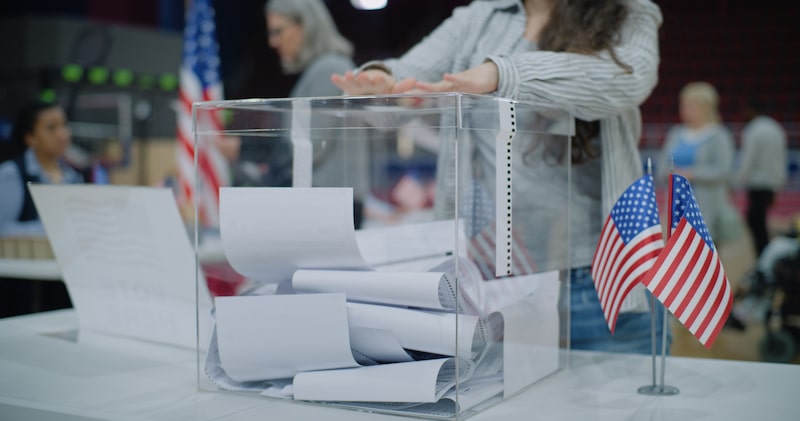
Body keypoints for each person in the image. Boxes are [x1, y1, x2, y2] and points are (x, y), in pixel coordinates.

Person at [332, 0, 667, 354]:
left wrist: (501, 74)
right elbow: (407, 80)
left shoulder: (628, 9)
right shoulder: (479, 17)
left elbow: (631, 78)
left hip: (602, 283)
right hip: (500, 288)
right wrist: (380, 84)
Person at [658, 82, 739, 245]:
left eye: (691, 106)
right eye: (684, 106)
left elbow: (723, 170)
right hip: (678, 207)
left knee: (705, 251)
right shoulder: (676, 134)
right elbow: (662, 166)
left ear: (706, 108)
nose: (686, 110)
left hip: (708, 206)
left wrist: (692, 174)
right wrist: (671, 174)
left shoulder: (718, 135)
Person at [0, 101, 84, 236]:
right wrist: (53, 229)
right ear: (30, 138)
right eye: (51, 128)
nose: (62, 134)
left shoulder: (74, 176)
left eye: (64, 125)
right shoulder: (12, 173)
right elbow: (2, 229)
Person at [735, 96, 788, 258]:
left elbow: (748, 159)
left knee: (756, 221)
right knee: (759, 221)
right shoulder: (776, 128)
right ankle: (765, 254)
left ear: (752, 110)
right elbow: (781, 158)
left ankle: (764, 255)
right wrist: (777, 183)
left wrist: (737, 181)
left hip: (757, 183)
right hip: (770, 182)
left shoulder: (753, 130)